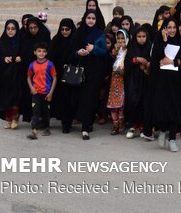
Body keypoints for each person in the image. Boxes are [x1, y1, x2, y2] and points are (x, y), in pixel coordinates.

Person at [150, 18, 181, 152]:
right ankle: (162, 131)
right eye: (169, 27)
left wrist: (174, 62)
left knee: (174, 108)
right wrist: (164, 41)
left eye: (174, 27)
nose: (172, 30)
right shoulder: (159, 41)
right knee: (162, 107)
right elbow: (156, 57)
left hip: (176, 82)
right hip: (162, 81)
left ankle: (172, 138)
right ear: (165, 29)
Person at [71, 10, 108, 140]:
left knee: (90, 98)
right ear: (84, 19)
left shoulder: (99, 34)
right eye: (88, 18)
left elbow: (104, 52)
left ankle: (85, 128)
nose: (91, 20)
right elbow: (72, 50)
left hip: (95, 71)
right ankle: (86, 122)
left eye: (93, 18)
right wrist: (78, 52)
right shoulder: (79, 33)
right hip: (81, 70)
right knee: (82, 98)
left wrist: (94, 49)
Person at [0, 20, 23, 129]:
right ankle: (8, 119)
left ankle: (15, 118)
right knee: (6, 97)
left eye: (13, 29)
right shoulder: (1, 42)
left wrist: (19, 58)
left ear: (17, 30)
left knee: (15, 96)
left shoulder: (20, 41)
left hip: (17, 75)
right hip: (4, 76)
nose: (10, 31)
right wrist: (3, 58)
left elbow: (26, 54)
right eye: (8, 29)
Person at [48, 18, 77, 133]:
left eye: (67, 29)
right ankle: (64, 122)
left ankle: (68, 122)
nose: (64, 32)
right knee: (60, 99)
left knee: (70, 99)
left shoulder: (75, 40)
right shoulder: (56, 40)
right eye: (62, 29)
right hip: (58, 75)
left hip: (71, 74)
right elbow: (51, 56)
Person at [124, 27, 152, 139]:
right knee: (132, 101)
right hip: (133, 81)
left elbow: (153, 62)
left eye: (143, 36)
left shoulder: (150, 47)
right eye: (139, 36)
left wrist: (146, 65)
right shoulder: (132, 48)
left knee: (144, 103)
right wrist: (137, 59)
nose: (141, 39)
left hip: (146, 80)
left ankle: (143, 127)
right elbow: (127, 63)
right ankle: (132, 126)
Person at [26, 42, 57, 140]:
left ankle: (47, 128)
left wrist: (51, 92)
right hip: (36, 93)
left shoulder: (50, 64)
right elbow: (28, 77)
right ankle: (34, 131)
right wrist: (32, 88)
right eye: (39, 51)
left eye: (43, 51)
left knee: (46, 112)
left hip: (46, 93)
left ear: (46, 53)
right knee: (35, 111)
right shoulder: (32, 65)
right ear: (35, 52)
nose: (41, 53)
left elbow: (54, 78)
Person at [107, 29, 128, 135]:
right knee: (113, 104)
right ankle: (115, 125)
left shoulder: (128, 51)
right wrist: (115, 50)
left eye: (122, 38)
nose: (120, 41)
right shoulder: (115, 51)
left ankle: (121, 123)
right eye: (118, 38)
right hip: (114, 80)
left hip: (123, 81)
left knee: (121, 105)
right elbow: (110, 62)